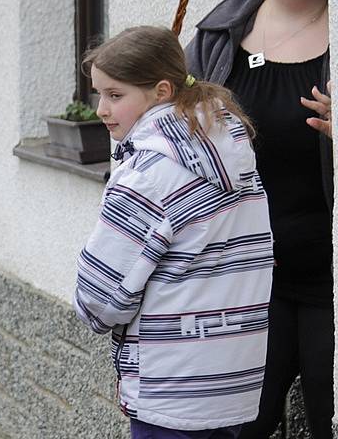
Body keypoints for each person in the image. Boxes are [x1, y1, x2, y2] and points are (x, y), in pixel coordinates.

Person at [75, 26, 274, 438]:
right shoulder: (234, 153)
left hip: (170, 389)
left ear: (161, 91)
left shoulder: (147, 175)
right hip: (232, 381)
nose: (100, 109)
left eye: (115, 95)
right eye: (99, 94)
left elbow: (100, 300)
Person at [185, 0, 333, 438]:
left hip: (327, 278)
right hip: (244, 275)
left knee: (328, 418)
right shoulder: (221, 34)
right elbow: (168, 136)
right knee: (242, 425)